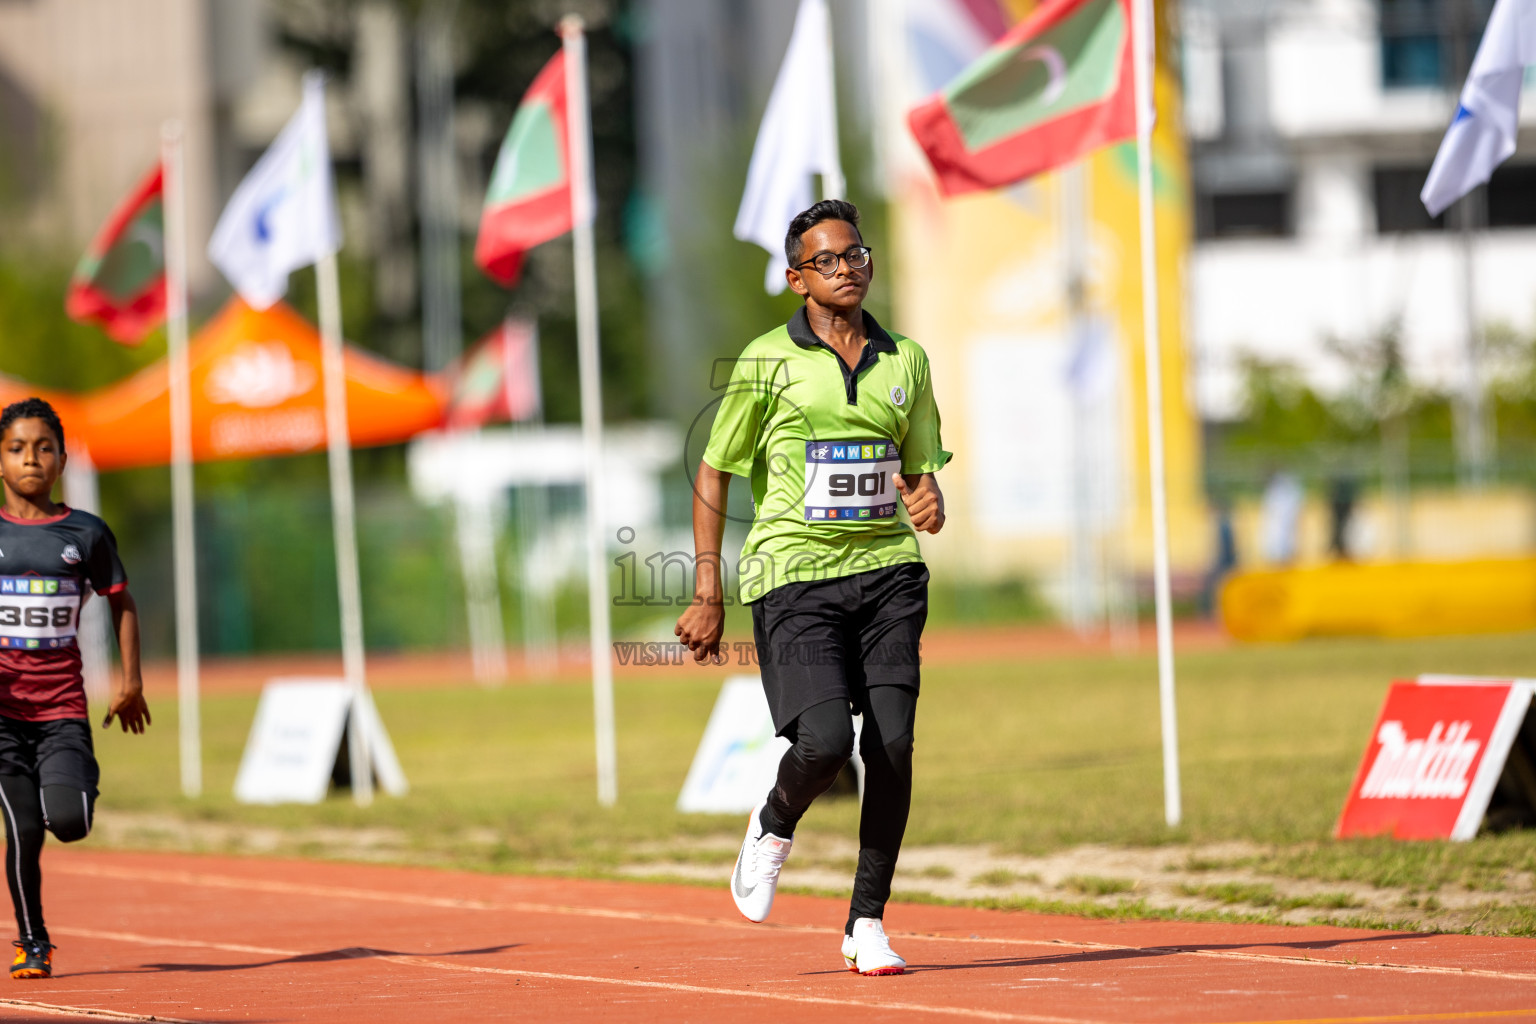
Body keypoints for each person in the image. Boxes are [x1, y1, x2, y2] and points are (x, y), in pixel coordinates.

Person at [675, 200, 950, 977]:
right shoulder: (766, 360)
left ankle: (867, 922)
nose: (848, 268)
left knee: (891, 745)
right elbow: (714, 466)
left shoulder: (908, 360)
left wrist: (928, 497)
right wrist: (708, 587)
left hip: (891, 573)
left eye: (856, 254)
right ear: (797, 278)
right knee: (825, 742)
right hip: (793, 576)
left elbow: (920, 467)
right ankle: (771, 824)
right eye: (827, 260)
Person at [0, 398, 150, 979]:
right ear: (0, 461)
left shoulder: (85, 533)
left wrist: (129, 681)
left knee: (69, 821)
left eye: (43, 448)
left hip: (61, 710)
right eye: (16, 448)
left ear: (62, 459)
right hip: (3, 717)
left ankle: (72, 787)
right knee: (23, 827)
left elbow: (122, 601)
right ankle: (32, 940)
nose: (31, 459)